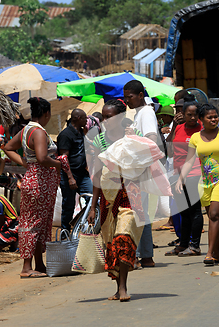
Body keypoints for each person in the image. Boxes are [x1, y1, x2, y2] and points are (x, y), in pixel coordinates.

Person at [3, 97, 70, 278]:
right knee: (32, 224)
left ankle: (39, 264)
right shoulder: (39, 132)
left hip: (36, 180)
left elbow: (8, 147)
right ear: (46, 113)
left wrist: (26, 163)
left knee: (42, 223)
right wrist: (58, 164)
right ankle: (26, 267)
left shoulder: (26, 130)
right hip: (39, 182)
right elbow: (42, 158)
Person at [86, 99, 144, 302]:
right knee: (111, 242)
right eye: (103, 117)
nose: (105, 120)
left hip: (131, 195)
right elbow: (96, 174)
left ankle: (123, 287)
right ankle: (119, 287)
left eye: (109, 117)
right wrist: (92, 207)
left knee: (123, 237)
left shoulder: (135, 137)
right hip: (108, 198)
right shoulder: (98, 141)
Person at [176, 104, 219, 266]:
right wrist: (181, 178)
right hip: (206, 182)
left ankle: (209, 253)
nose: (214, 119)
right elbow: (189, 161)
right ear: (201, 120)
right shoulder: (195, 138)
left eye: (215, 116)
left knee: (215, 215)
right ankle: (217, 254)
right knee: (212, 218)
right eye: (210, 117)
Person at [123, 80, 161, 268]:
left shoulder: (146, 112)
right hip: (141, 169)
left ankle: (139, 256)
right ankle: (146, 256)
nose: (126, 100)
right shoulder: (140, 113)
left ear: (140, 96)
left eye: (129, 97)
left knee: (138, 213)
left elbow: (151, 139)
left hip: (142, 170)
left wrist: (133, 138)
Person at [165, 99, 204, 256]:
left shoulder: (202, 128)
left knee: (195, 211)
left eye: (195, 115)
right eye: (189, 115)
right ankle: (183, 244)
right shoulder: (179, 128)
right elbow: (169, 149)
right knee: (184, 211)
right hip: (177, 174)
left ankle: (195, 245)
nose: (192, 118)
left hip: (195, 174)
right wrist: (174, 126)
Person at [57, 109, 93, 232]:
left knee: (92, 198)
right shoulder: (66, 135)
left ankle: (82, 225)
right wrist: (70, 177)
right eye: (84, 118)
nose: (86, 120)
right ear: (77, 118)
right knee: (68, 205)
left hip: (82, 174)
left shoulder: (82, 132)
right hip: (69, 175)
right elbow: (63, 158)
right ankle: (65, 233)